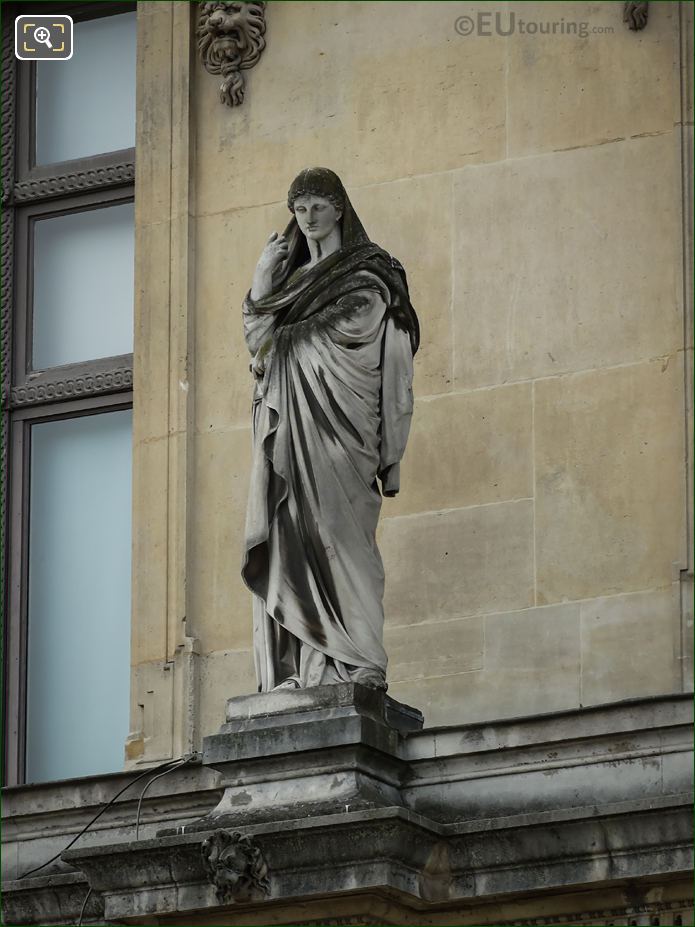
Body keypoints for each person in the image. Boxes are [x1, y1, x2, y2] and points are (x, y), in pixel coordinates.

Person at [241, 167, 419, 692]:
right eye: (300, 208)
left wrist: (282, 342)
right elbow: (259, 345)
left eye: (318, 205)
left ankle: (361, 658)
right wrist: (262, 284)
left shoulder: (368, 273)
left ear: (339, 208)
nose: (308, 217)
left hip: (343, 430)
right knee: (292, 533)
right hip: (290, 435)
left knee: (344, 536)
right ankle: (300, 668)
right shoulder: (291, 285)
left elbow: (360, 321)